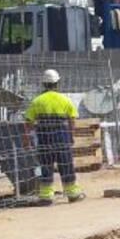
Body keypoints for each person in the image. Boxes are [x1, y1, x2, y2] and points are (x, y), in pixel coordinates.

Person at [25, 69, 84, 205]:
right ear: (57, 83)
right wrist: (71, 136)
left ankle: (46, 197)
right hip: (62, 137)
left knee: (46, 166)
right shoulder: (65, 100)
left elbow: (28, 122)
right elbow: (72, 120)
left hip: (44, 138)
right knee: (66, 165)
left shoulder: (36, 101)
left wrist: (26, 138)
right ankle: (73, 194)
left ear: (43, 84)